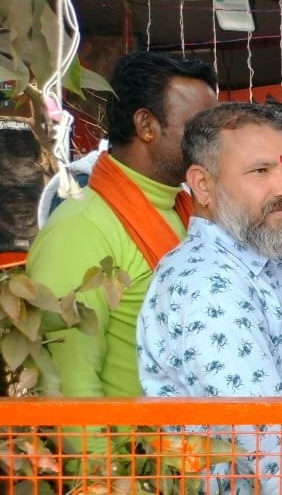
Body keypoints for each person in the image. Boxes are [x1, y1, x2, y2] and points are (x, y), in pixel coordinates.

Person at [137, 102, 282, 495]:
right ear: (203, 185)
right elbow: (270, 452)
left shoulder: (252, 259)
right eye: (261, 171)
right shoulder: (212, 285)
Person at [29, 51, 217, 398]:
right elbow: (72, 386)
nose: (215, 143)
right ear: (146, 125)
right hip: (132, 434)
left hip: (193, 430)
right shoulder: (80, 229)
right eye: (200, 128)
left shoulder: (189, 209)